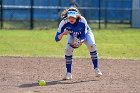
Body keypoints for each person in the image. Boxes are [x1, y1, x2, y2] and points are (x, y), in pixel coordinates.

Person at [55, 7, 102, 80]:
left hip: (86, 34)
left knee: (91, 45)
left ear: (77, 16)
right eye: (69, 17)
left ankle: (96, 69)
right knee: (68, 50)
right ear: (67, 16)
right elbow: (56, 39)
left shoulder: (82, 20)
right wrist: (63, 34)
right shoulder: (64, 22)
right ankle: (68, 73)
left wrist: (80, 41)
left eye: (73, 17)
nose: (71, 19)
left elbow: (84, 35)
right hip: (72, 35)